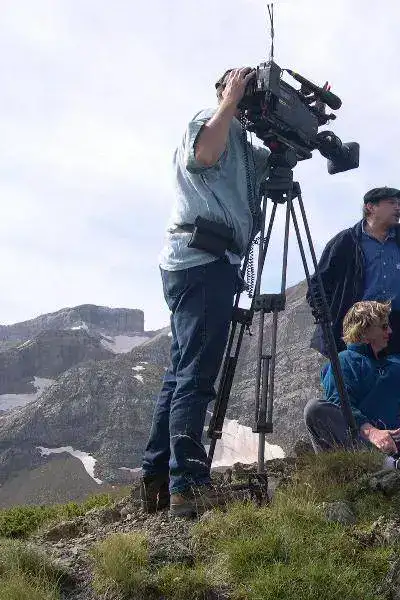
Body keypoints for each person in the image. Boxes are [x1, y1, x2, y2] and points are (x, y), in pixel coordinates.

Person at [138, 67, 270, 518]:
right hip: (201, 261)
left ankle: (157, 479)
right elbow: (205, 152)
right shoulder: (211, 122)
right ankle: (188, 486)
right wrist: (231, 99)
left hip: (206, 263)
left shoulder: (246, 148)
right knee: (195, 376)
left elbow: (269, 176)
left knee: (180, 373)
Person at [307, 187, 400, 418]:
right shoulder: (346, 242)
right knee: (349, 384)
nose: (398, 208)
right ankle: (356, 439)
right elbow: (318, 286)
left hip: (397, 324)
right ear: (370, 207)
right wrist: (330, 320)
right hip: (359, 327)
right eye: (392, 202)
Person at [303, 301, 400, 471]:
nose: (390, 331)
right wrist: (372, 433)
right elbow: (340, 403)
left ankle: (390, 464)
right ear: (364, 331)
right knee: (314, 409)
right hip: (353, 441)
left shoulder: (394, 365)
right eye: (384, 327)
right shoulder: (343, 361)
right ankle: (389, 464)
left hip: (392, 441)